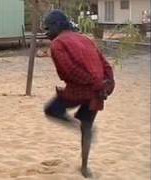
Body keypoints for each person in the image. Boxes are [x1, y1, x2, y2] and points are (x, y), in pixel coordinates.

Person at [43, 10, 115, 178]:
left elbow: (70, 71)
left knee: (51, 110)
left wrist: (96, 84)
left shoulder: (58, 44)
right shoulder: (85, 39)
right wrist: (107, 85)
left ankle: (77, 126)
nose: (45, 33)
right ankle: (84, 167)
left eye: (47, 28)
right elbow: (105, 65)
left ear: (57, 25)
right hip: (98, 91)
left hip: (82, 89)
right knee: (87, 126)